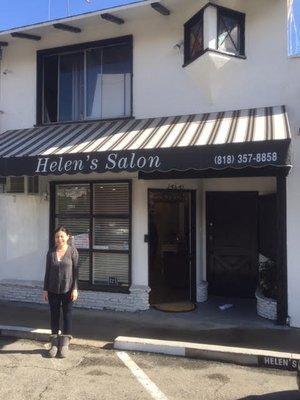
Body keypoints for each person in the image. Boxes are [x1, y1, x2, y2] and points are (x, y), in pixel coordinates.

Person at [43, 226, 79, 358]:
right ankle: (54, 344)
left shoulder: (72, 251)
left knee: (67, 315)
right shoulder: (51, 252)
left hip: (68, 289)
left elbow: (76, 272)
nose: (59, 239)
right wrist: (45, 289)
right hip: (52, 289)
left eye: (62, 236)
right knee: (54, 315)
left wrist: (75, 288)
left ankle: (64, 345)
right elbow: (47, 272)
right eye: (57, 236)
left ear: (67, 237)